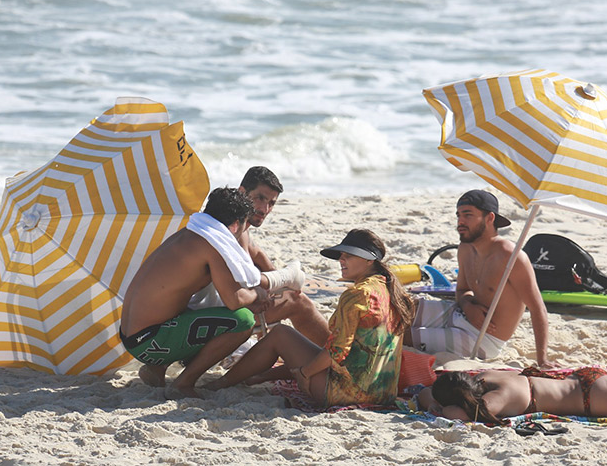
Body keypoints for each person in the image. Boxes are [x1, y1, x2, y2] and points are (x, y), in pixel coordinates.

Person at [119, 187, 301, 400]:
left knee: (204, 309)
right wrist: (258, 295)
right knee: (242, 321)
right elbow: (234, 300)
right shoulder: (212, 246)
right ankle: (183, 383)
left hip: (133, 335)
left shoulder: (190, 233)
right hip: (148, 342)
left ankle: (155, 369)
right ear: (235, 225)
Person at [204, 229, 417, 407]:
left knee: (281, 335)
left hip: (347, 393)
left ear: (370, 260)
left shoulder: (358, 294)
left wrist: (305, 373)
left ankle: (223, 383)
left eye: (348, 256)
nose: (341, 260)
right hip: (383, 391)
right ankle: (258, 376)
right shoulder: (393, 292)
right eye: (341, 256)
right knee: (304, 350)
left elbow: (337, 352)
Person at [405, 189, 552, 367]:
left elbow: (538, 309)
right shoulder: (466, 248)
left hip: (483, 339)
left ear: (489, 218)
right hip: (460, 313)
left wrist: (542, 359)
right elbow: (461, 290)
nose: (460, 221)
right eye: (458, 215)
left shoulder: (511, 257)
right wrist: (468, 306)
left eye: (468, 215)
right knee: (402, 308)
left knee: (402, 335)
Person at [237, 166, 329, 345]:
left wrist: (285, 282)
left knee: (288, 291)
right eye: (260, 198)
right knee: (297, 301)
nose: (264, 209)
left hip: (224, 305)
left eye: (271, 203)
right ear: (242, 192)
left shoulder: (240, 227)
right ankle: (340, 358)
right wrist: (287, 281)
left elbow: (262, 260)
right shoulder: (233, 230)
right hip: (220, 313)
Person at [415, 367, 607, 423]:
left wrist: (433, 404)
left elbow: (456, 415)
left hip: (595, 398)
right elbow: (429, 390)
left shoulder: (496, 399)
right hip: (587, 379)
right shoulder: (487, 377)